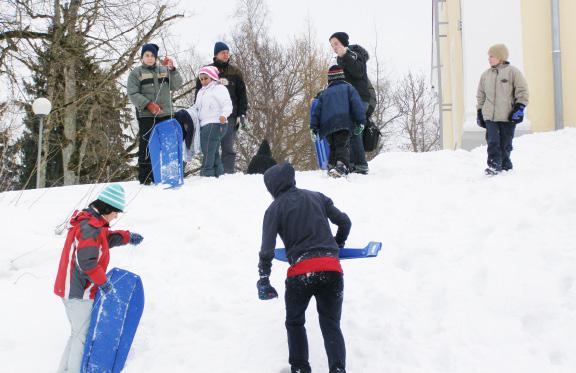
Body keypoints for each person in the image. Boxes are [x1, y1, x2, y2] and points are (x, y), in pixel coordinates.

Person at [257, 163, 351, 373]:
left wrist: (264, 278)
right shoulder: (318, 197)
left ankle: (300, 368)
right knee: (330, 323)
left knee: (295, 322)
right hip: (331, 269)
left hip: (301, 272)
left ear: (271, 188)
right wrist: (337, 244)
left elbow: (267, 250)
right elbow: (345, 222)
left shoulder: (274, 209)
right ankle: (338, 369)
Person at [54, 184, 144, 373]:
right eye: (116, 212)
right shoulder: (90, 228)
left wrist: (127, 237)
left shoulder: (94, 224)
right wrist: (104, 283)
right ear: (107, 208)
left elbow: (105, 239)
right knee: (82, 336)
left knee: (77, 334)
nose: (116, 216)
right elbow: (87, 262)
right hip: (78, 292)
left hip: (73, 289)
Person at [127, 43, 183, 184]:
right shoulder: (136, 73)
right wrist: (149, 104)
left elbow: (176, 85)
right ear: (142, 57)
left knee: (169, 145)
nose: (150, 58)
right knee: (146, 146)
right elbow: (132, 93)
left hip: (166, 114)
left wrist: (173, 69)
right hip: (147, 116)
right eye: (147, 55)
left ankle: (170, 176)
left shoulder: (164, 70)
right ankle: (146, 177)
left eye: (152, 55)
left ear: (156, 57)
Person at [195, 42, 248, 174]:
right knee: (210, 147)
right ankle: (214, 173)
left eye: (227, 52)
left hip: (229, 115)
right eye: (223, 52)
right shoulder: (205, 71)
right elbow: (198, 93)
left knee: (227, 147)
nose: (226, 55)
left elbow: (242, 94)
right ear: (216, 55)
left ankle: (228, 174)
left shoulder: (235, 71)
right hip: (209, 118)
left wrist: (242, 113)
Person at [476, 44, 529, 175]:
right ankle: (494, 166)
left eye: (491, 56)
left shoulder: (513, 72)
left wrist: (519, 107)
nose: (489, 59)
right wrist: (479, 112)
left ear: (500, 57)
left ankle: (505, 166)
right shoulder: (485, 75)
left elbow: (522, 91)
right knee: (492, 142)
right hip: (490, 117)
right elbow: (480, 95)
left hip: (507, 115)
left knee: (506, 144)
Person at [329, 32, 374, 175]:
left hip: (360, 98)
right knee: (350, 130)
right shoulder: (340, 60)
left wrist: (345, 55)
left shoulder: (354, 54)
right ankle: (353, 163)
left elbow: (358, 72)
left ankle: (360, 164)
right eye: (332, 45)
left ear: (343, 43)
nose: (334, 47)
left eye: (336, 44)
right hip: (349, 99)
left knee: (354, 130)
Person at [311, 65, 366, 178]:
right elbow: (357, 106)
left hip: (328, 126)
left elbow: (316, 112)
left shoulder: (324, 93)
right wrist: (361, 122)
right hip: (343, 122)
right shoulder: (349, 89)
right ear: (342, 77)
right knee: (342, 145)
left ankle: (331, 165)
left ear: (329, 79)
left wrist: (313, 127)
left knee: (333, 146)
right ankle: (341, 166)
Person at [195, 65, 233, 177]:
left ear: (212, 77)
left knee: (207, 149)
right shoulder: (201, 92)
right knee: (212, 150)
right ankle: (218, 173)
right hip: (205, 123)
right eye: (201, 79)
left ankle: (207, 174)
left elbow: (227, 104)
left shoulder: (219, 88)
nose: (203, 81)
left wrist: (224, 115)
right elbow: (197, 107)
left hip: (215, 122)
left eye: (206, 78)